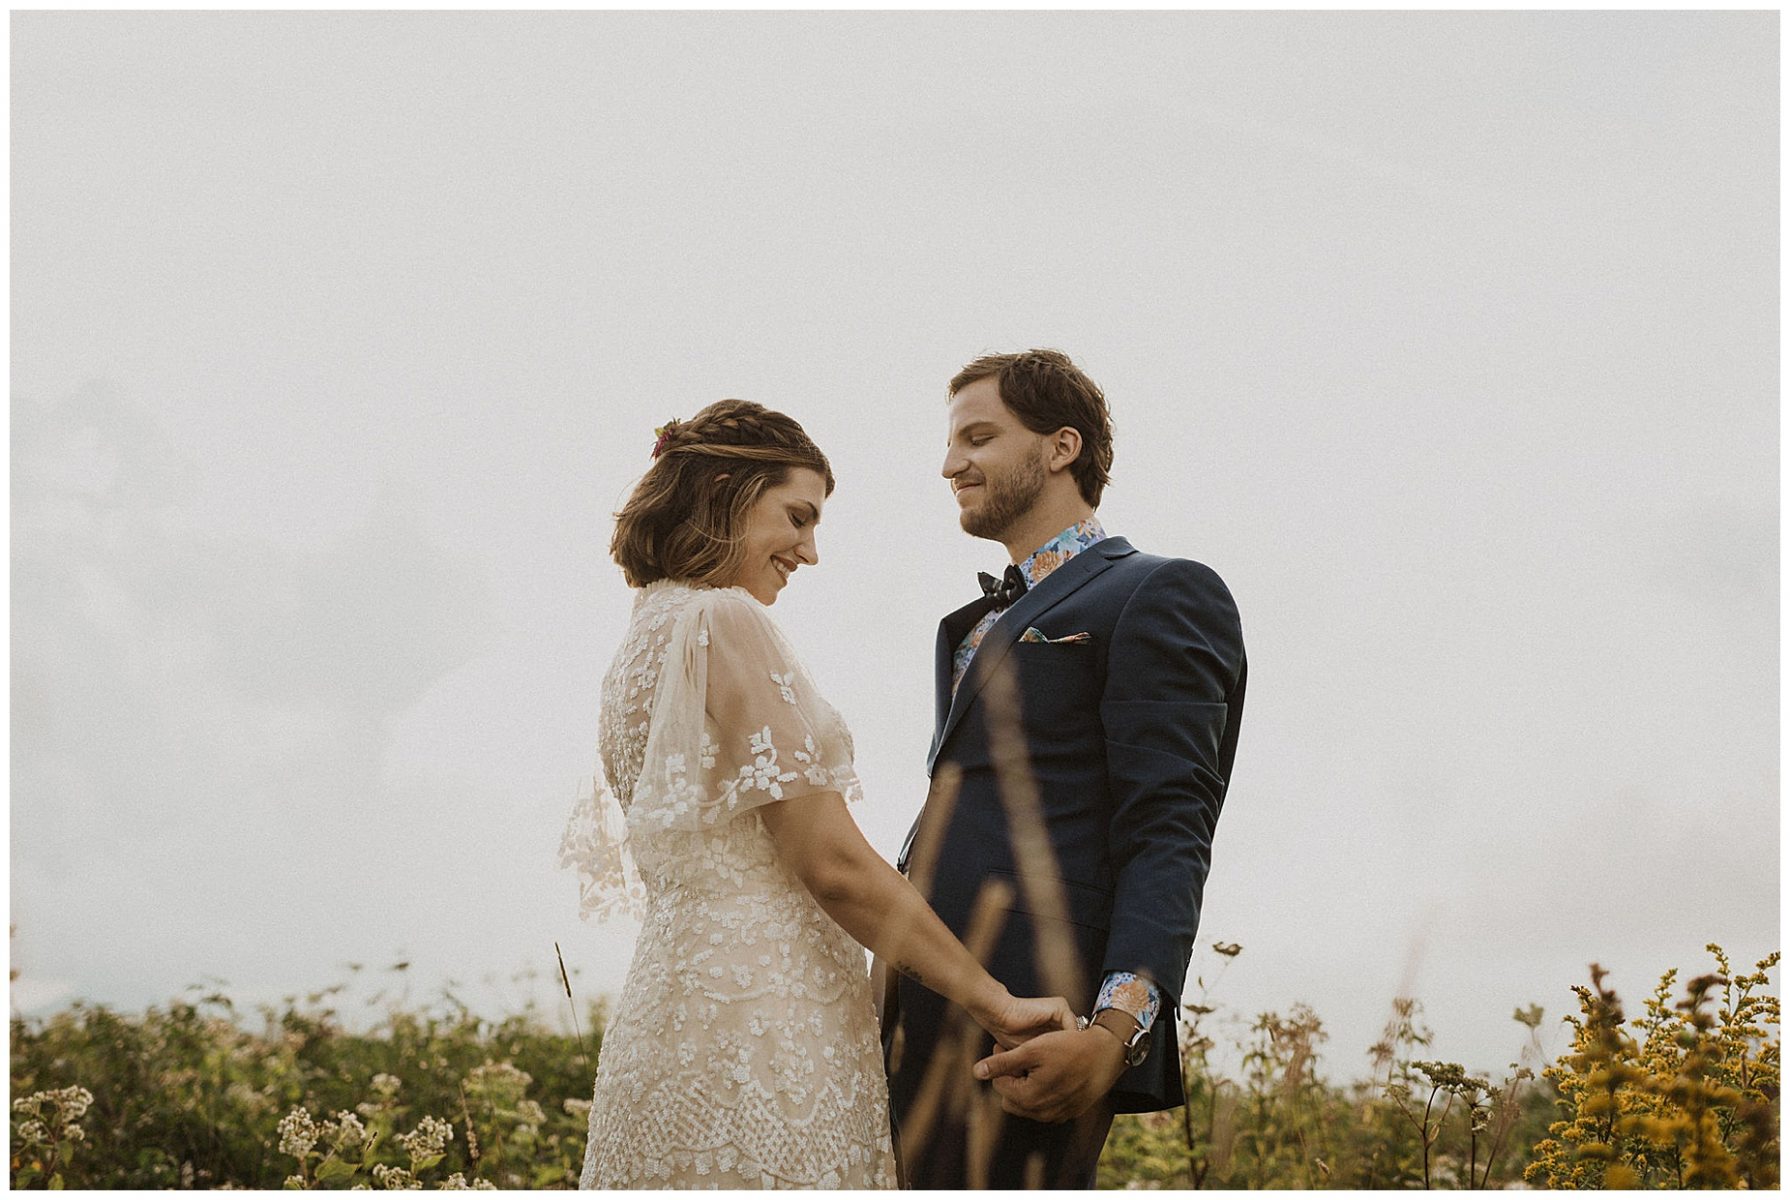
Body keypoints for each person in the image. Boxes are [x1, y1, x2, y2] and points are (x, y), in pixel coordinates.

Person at [559, 399, 1075, 1189]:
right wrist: (995, 1003)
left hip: (667, 1020)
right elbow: (829, 860)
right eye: (796, 518)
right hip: (764, 1025)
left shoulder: (642, 635)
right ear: (726, 489)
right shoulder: (721, 619)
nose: (808, 551)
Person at [879, 349, 1248, 1188]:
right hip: (914, 996)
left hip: (1036, 1020)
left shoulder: (1159, 592)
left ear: (1061, 447)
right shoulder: (967, 624)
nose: (950, 464)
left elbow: (1169, 830)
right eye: (949, 443)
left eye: (979, 437)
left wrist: (1114, 1034)